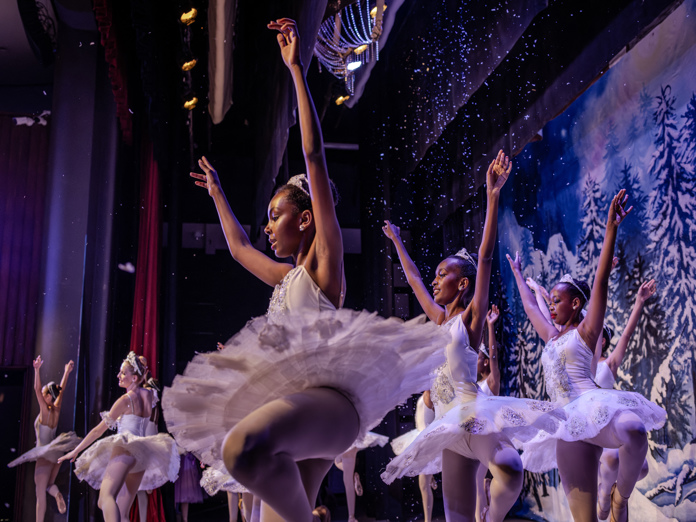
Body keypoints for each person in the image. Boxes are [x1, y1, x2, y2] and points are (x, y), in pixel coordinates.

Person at [162, 18, 448, 522]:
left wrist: (296, 69)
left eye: (276, 215)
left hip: (328, 407)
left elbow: (314, 155)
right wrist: (217, 195)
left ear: (308, 217)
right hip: (303, 417)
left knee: (240, 448)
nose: (269, 227)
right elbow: (237, 248)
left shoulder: (323, 263)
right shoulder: (285, 277)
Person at [381, 151, 562, 522]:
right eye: (435, 273)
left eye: (442, 274)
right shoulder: (437, 319)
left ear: (461, 284)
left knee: (510, 469)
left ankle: (492, 518)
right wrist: (398, 242)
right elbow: (414, 279)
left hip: (472, 415)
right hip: (448, 429)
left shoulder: (471, 319)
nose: (434, 279)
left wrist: (492, 197)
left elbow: (484, 258)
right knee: (456, 516)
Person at [507, 190, 666, 522]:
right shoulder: (550, 335)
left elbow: (601, 281)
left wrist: (611, 230)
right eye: (549, 300)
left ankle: (620, 498)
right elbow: (527, 304)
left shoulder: (586, 333)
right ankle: (607, 505)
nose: (550, 304)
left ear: (575, 304)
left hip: (592, 405)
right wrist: (519, 276)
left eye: (556, 299)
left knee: (635, 430)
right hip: (566, 423)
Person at [59, 353, 179, 522]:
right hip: (142, 454)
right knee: (119, 511)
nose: (118, 376)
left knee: (106, 497)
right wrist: (142, 371)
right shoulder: (150, 395)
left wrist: (75, 451)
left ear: (134, 377)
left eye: (123, 373)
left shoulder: (125, 400)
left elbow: (97, 431)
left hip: (126, 449)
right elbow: (144, 379)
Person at [594, 279, 655, 520]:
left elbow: (627, 335)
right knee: (609, 460)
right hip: (593, 430)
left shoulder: (607, 364)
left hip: (612, 424)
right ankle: (605, 492)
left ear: (604, 342)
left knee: (642, 467)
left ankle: (616, 494)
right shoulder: (579, 367)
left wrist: (639, 301)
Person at [8, 356, 79, 521]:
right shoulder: (57, 408)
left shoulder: (45, 410)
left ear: (47, 396)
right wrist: (67, 372)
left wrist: (37, 369)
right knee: (48, 486)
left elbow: (36, 388)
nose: (41, 394)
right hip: (56, 453)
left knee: (39, 494)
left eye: (44, 393)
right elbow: (61, 389)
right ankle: (57, 495)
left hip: (44, 452)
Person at [390, 392, 437, 522]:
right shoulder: (425, 394)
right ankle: (431, 475)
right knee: (423, 484)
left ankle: (428, 520)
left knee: (423, 484)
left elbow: (433, 418)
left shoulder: (429, 393)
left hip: (426, 440)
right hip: (420, 438)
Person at [475, 306, 501, 521]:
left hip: (485, 439)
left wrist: (490, 326)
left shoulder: (491, 383)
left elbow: (492, 354)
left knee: (475, 483)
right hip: (472, 439)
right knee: (474, 485)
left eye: (477, 358)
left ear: (484, 362)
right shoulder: (472, 386)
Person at [333, 432, 390, 522]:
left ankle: (351, 517)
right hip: (349, 436)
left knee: (347, 480)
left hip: (346, 437)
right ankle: (354, 476)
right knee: (337, 463)